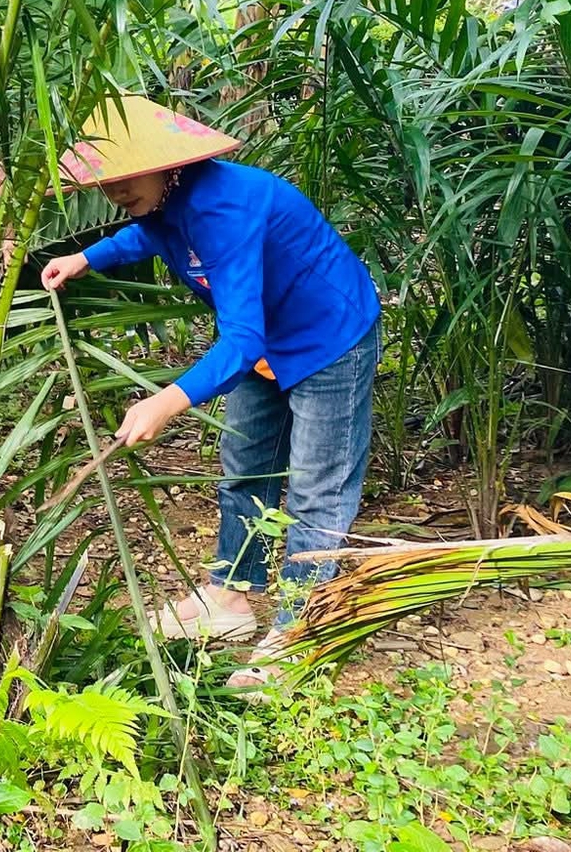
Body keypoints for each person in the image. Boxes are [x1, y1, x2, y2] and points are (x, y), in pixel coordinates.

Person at [38, 94, 381, 678]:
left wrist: (168, 400)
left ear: (167, 164)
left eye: (125, 177)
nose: (115, 192)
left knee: (316, 488)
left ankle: (302, 627)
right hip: (268, 344)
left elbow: (241, 338)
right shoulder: (164, 202)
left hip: (328, 337)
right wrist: (85, 258)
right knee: (246, 465)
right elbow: (150, 237)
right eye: (105, 181)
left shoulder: (226, 206)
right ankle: (229, 599)